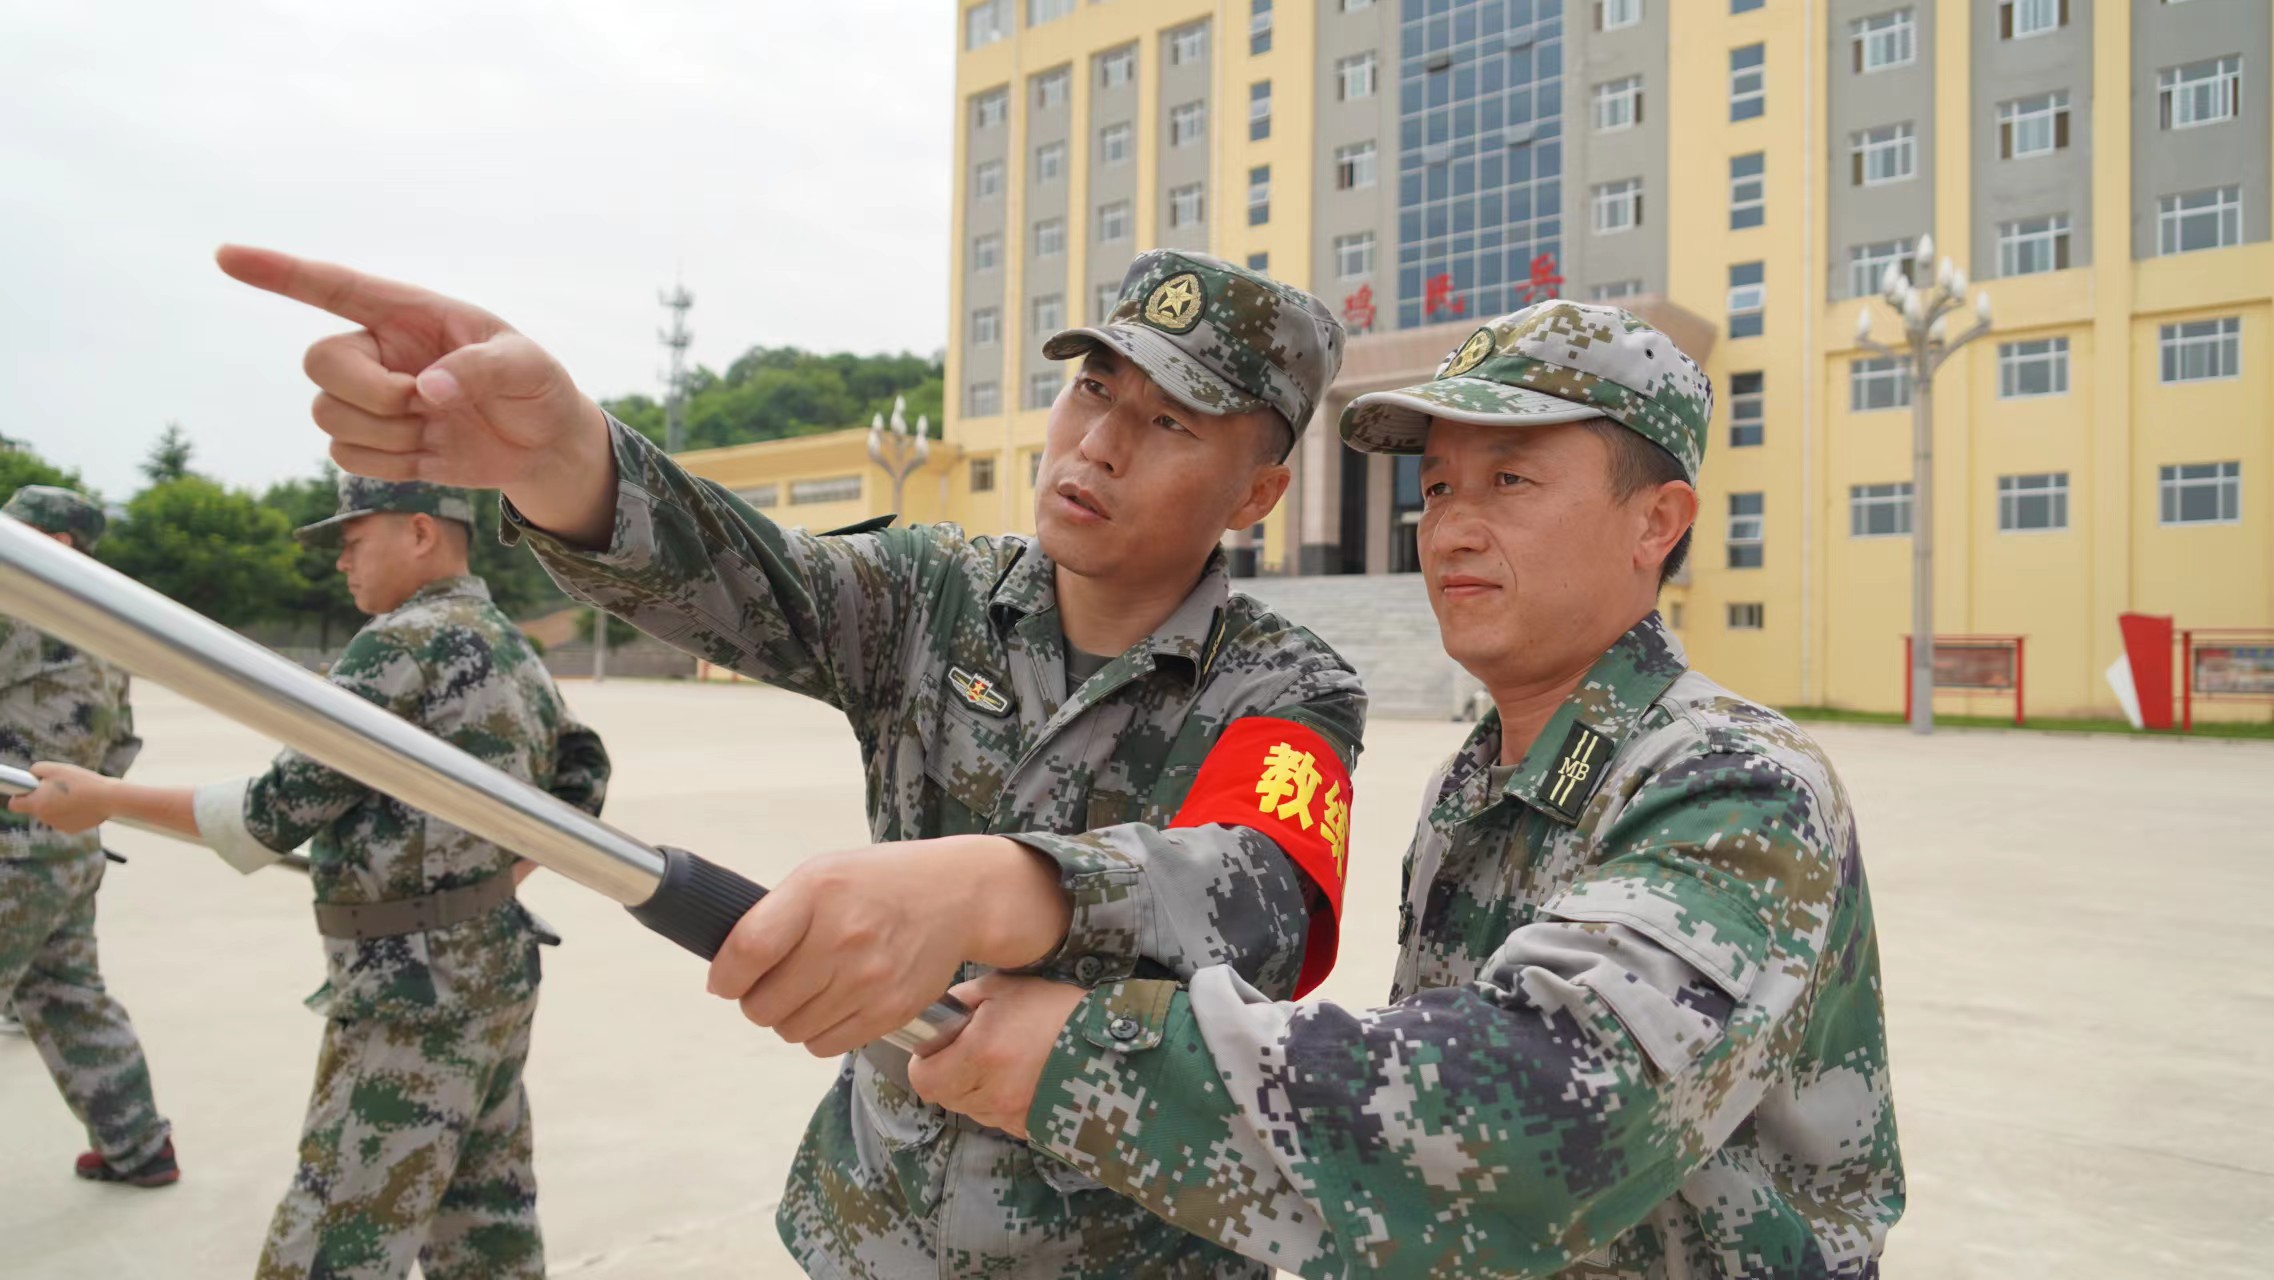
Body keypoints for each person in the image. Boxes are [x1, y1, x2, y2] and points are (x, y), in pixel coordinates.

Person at [215, 242, 1368, 1278]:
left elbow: (1253, 889)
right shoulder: (934, 592)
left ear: (1258, 491)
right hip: (875, 1224)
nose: (1100, 444)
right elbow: (746, 573)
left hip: (1129, 1246)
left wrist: (990, 888)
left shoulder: (1285, 682)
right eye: (1094, 389)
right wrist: (566, 457)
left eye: (1171, 423)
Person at [911, 302, 1906, 1279]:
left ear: (1657, 520)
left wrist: (1086, 1056)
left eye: (1509, 480)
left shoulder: (1739, 781)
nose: (1450, 529)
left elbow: (1541, 1122)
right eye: (1436, 488)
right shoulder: (1477, 780)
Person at [15, 476, 611, 1280]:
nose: (341, 562)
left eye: (353, 540)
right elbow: (583, 773)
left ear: (422, 533)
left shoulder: (400, 644)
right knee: (486, 1219)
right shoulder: (507, 641)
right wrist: (490, 879)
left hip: (412, 992)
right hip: (492, 965)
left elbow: (276, 809)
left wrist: (104, 800)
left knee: (335, 1227)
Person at [0, 484, 177, 1187]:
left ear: (59, 544)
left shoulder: (20, 605)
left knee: (67, 994)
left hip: (9, 841)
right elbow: (123, 743)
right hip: (70, 844)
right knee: (69, 994)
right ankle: (138, 1147)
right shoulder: (103, 628)